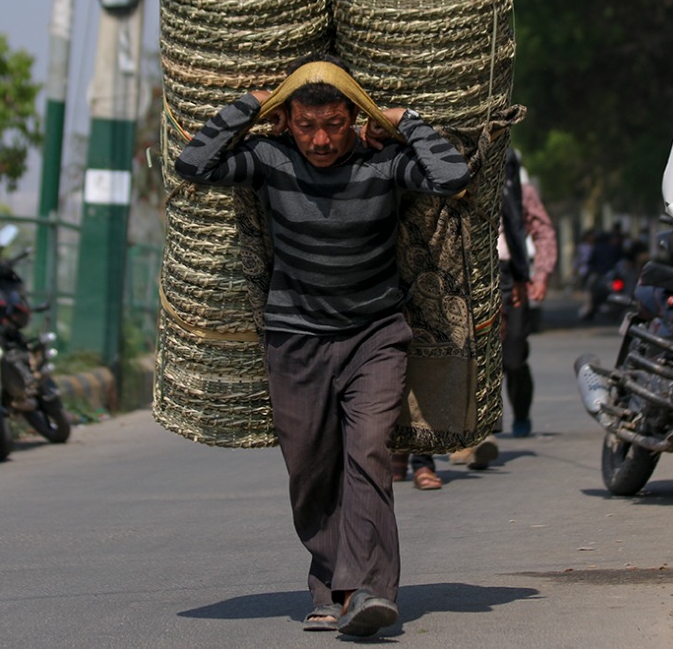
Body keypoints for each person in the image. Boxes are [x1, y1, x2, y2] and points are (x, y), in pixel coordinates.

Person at [174, 57, 470, 637]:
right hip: (294, 338)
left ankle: (370, 591)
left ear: (352, 119)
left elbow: (453, 176)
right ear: (286, 122)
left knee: (370, 453)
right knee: (311, 469)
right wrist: (252, 106)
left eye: (335, 124)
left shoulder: (383, 163)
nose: (321, 139)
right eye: (307, 125)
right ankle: (329, 584)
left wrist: (400, 118)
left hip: (376, 336)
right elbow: (192, 165)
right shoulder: (269, 159)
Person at [450, 147, 556, 471]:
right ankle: (482, 434)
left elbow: (542, 232)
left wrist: (539, 275)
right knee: (476, 352)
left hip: (510, 275)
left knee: (512, 355)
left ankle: (520, 413)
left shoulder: (518, 191)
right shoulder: (454, 183)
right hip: (470, 272)